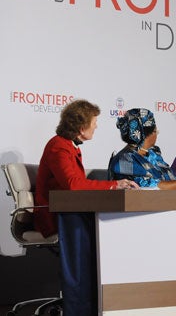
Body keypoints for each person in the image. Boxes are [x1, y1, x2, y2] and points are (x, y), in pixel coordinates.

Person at [33, 99, 139, 316]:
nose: (96, 126)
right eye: (94, 122)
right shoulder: (58, 147)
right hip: (55, 216)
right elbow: (73, 185)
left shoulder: (68, 146)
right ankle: (79, 307)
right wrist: (114, 184)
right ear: (82, 127)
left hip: (70, 211)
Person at [110, 108, 176, 190]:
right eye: (155, 131)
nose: (157, 134)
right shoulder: (125, 159)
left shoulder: (153, 153)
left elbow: (169, 180)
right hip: (136, 207)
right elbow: (147, 186)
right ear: (144, 135)